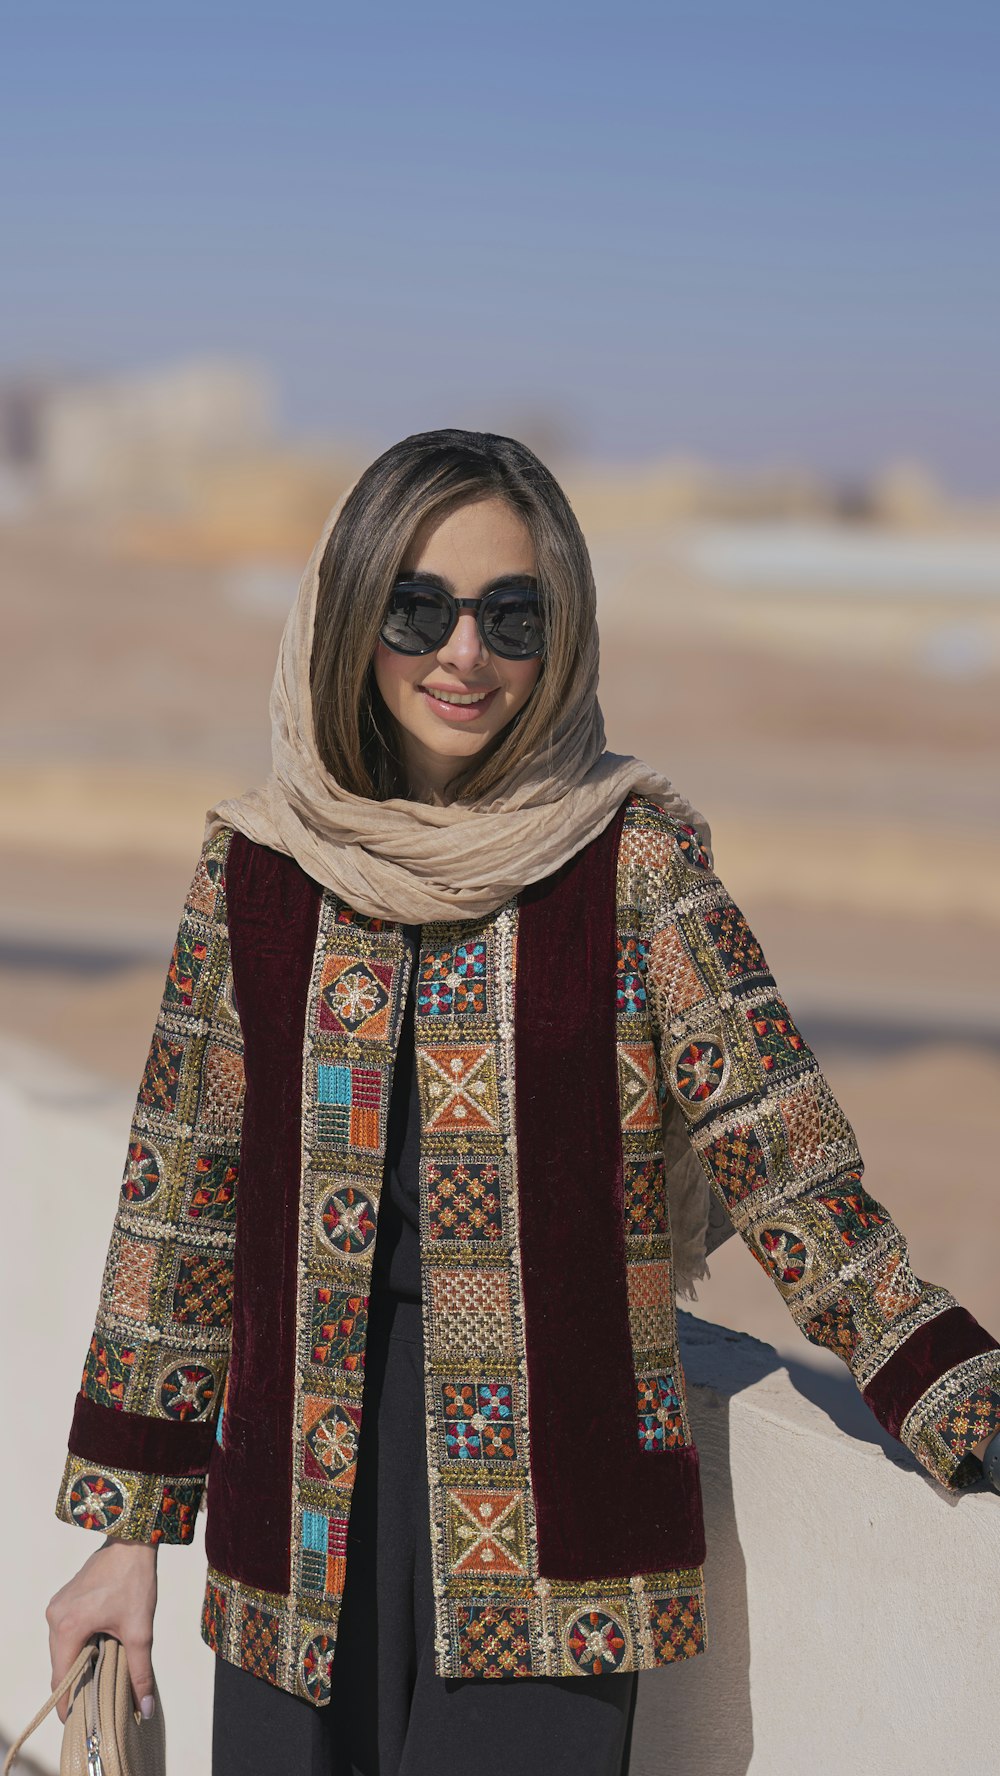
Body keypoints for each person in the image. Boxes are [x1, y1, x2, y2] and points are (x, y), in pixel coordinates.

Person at [46, 429, 1000, 1776]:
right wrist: (126, 1533)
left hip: (554, 1544)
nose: (464, 654)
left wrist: (953, 1389)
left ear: (562, 635)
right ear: (348, 615)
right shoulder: (257, 872)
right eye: (418, 607)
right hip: (294, 1532)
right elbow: (181, 1215)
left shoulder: (631, 865)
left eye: (512, 614)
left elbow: (788, 1162)